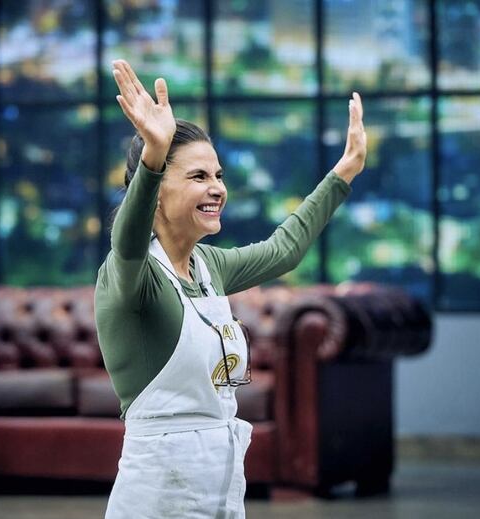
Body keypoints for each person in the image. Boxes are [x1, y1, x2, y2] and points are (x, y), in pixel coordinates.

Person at [95, 59, 367, 518]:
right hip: (158, 497)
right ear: (156, 190)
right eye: (199, 177)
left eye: (219, 175)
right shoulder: (131, 273)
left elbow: (283, 250)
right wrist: (154, 156)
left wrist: (344, 173)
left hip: (219, 489)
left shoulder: (209, 266)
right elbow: (127, 239)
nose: (218, 188)